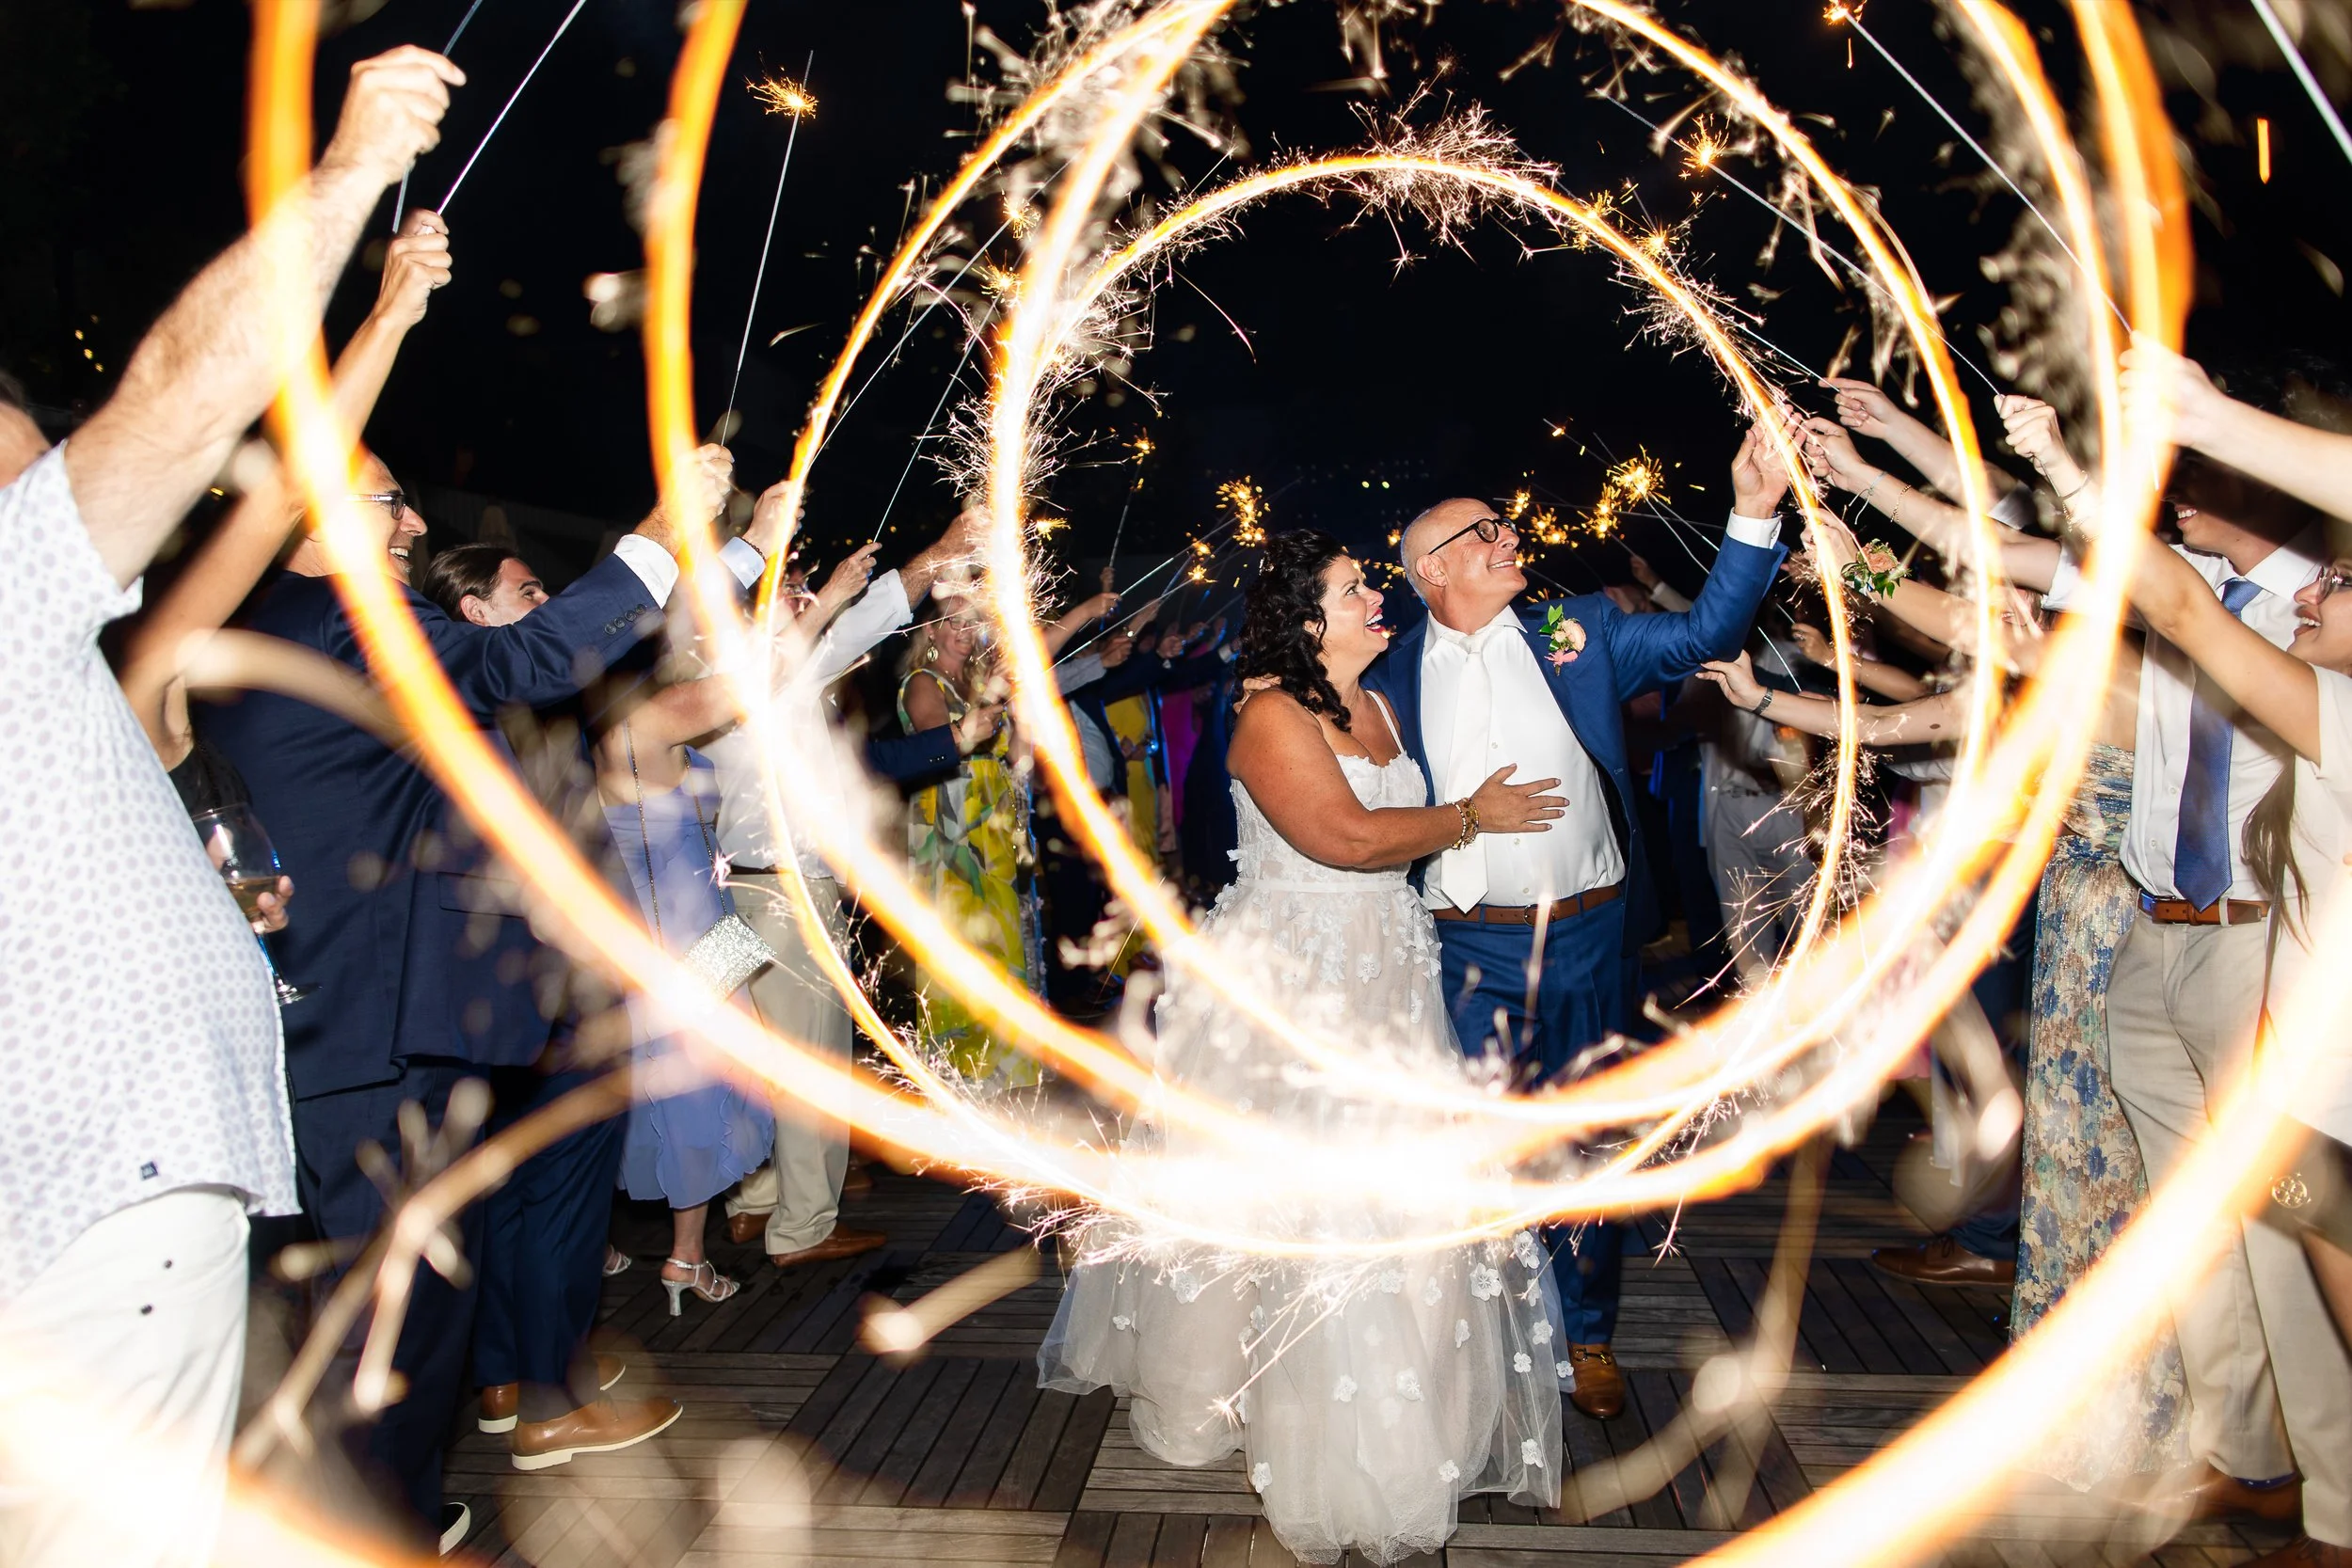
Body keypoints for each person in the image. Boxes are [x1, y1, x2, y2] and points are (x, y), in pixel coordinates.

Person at [0, 46, 461, 1565]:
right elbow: (216, 442)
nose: (38, 461)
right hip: (96, 1222)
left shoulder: (74, 686)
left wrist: (386, 312)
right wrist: (338, 191)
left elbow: (278, 474)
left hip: (148, 1204)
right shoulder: (120, 658)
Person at [201, 434, 741, 1529]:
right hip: (376, 1024)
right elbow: (524, 664)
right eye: (391, 504)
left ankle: (397, 1507)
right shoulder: (350, 617)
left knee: (376, 1300)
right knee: (389, 1317)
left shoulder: (265, 622)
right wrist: (663, 531)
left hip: (351, 1011)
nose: (411, 525)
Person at [1040, 531, 1569, 1565]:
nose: (1377, 595)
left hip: (1384, 971)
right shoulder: (1272, 713)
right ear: (1304, 619)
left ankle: (1406, 1410)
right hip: (1294, 987)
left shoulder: (1371, 702)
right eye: (1353, 588)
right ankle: (1298, 1426)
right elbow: (1348, 838)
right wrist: (1472, 816)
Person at [1360, 423, 1788, 1419]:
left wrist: (1754, 512)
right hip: (1463, 943)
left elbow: (1699, 636)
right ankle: (1474, 1335)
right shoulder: (1388, 676)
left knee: (1585, 1137)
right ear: (1431, 570)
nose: (1510, 538)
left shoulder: (1577, 628)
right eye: (1483, 533)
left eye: (1505, 526)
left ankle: (1585, 1335)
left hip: (1589, 933)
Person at [2011, 356, 2352, 1564]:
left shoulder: (2323, 661)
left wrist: (2068, 463)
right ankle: (2255, 1457)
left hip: (2291, 998)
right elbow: (2150, 598)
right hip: (2222, 982)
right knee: (2211, 1222)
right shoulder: (2278, 653)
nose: (2321, 594)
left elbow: (2184, 617)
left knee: (2308, 1249)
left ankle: (2338, 1501)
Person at [708, 500, 993, 1271]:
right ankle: (801, 1225)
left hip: (743, 890)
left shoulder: (728, 677)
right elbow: (867, 620)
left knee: (766, 1058)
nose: (805, 590)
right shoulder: (776, 671)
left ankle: (753, 1200)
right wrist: (938, 550)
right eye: (791, 584)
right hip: (791, 894)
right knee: (814, 1062)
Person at [899, 582, 1116, 1084]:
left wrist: (1021, 726)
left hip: (1001, 840)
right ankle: (962, 1081)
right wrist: (1083, 608)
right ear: (930, 630)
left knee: (1008, 955)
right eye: (952, 622)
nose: (964, 632)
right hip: (953, 847)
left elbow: (1016, 764)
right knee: (965, 960)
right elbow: (944, 744)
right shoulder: (922, 683)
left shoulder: (983, 685)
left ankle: (1009, 1079)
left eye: (971, 622)